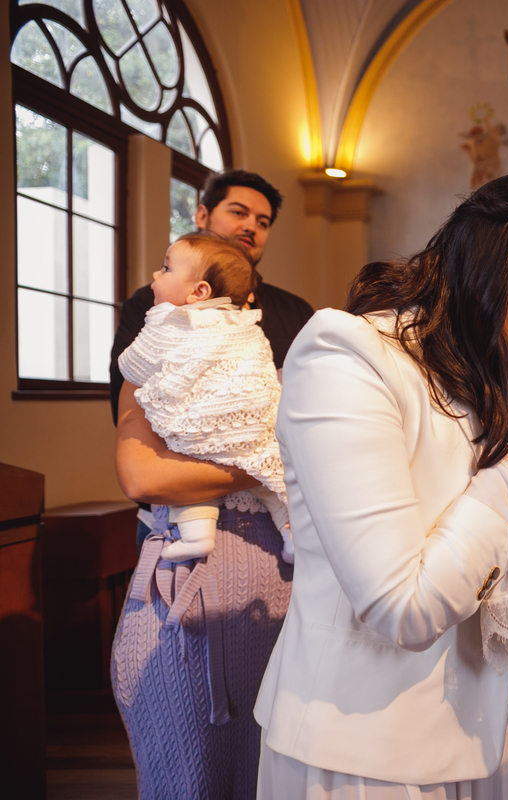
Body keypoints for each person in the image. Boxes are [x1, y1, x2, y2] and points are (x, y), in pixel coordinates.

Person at [253, 173, 508, 798]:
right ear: (494, 273)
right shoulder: (349, 355)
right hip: (364, 746)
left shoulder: (481, 377)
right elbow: (404, 606)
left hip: (474, 733)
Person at [111, 273, 296, 796]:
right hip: (184, 578)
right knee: (184, 761)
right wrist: (266, 463)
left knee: (270, 766)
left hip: (276, 581)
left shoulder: (272, 382)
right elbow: (143, 477)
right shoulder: (153, 374)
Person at [109, 170, 314, 547]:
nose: (251, 226)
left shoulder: (296, 311)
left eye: (263, 221)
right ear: (202, 216)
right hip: (176, 517)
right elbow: (141, 470)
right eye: (239, 212)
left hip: (283, 522)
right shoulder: (157, 306)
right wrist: (274, 461)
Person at [117, 232, 292, 564]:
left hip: (197, 430)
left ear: (199, 292)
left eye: (165, 269)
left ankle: (197, 536)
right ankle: (292, 534)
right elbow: (263, 368)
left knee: (185, 464)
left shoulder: (167, 321)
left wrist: (133, 370)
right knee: (275, 486)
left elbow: (133, 366)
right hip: (251, 429)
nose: (156, 275)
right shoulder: (247, 324)